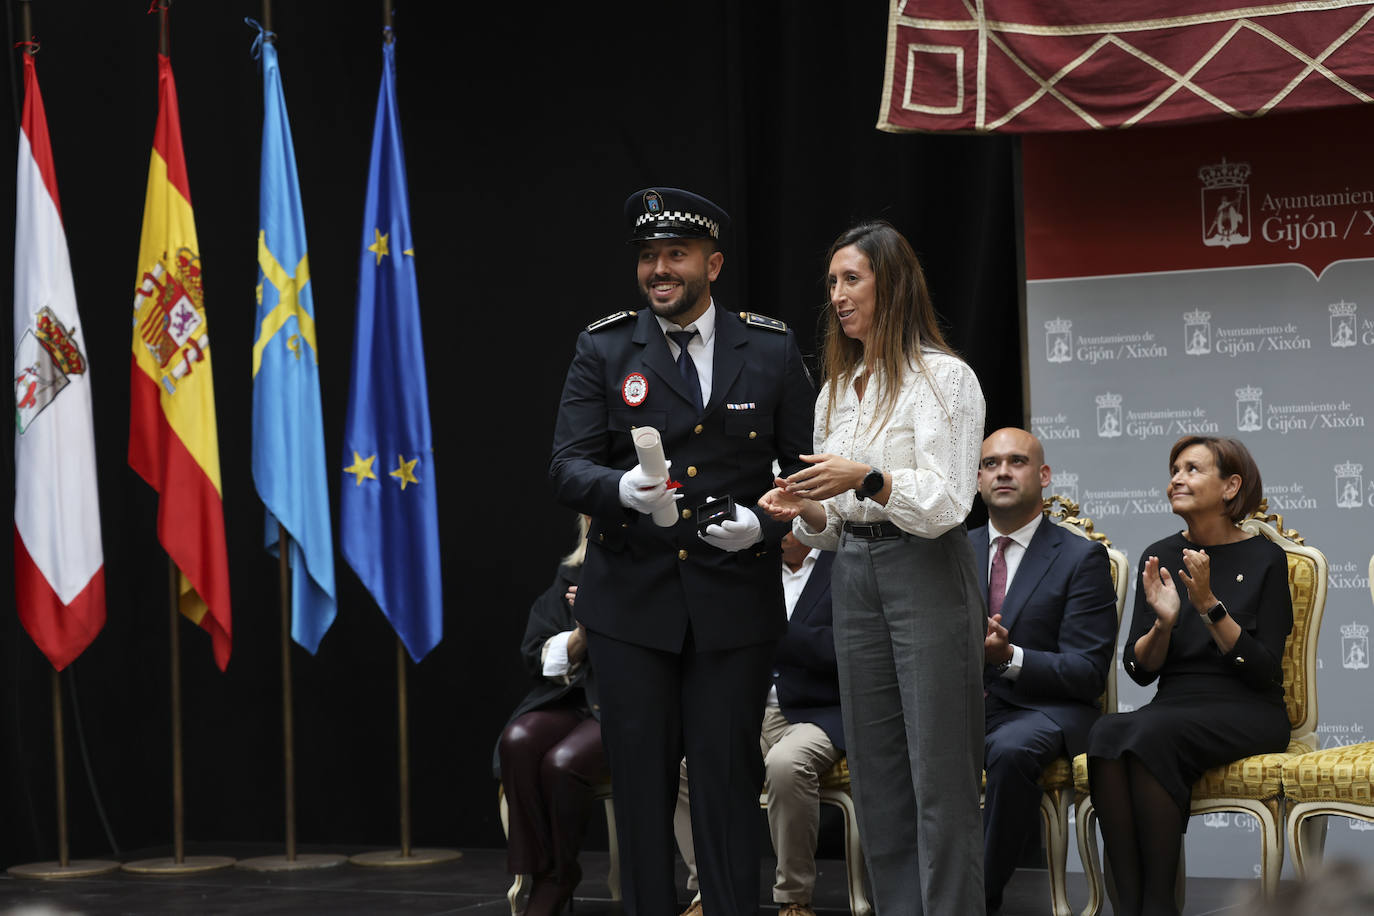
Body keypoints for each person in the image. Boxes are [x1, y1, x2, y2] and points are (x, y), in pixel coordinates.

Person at [549, 187, 816, 915]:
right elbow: (566, 465)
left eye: (675, 254)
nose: (658, 269)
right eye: (647, 256)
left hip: (733, 602)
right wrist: (623, 490)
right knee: (642, 794)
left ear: (713, 263)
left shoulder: (769, 347)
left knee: (730, 788)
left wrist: (764, 529)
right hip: (631, 605)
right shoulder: (604, 347)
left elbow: (805, 472)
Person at [759, 219, 987, 914]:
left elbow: (948, 503)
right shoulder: (835, 390)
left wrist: (868, 477)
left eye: (851, 278)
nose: (837, 294)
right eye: (831, 282)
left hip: (926, 569)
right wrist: (804, 505)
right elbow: (833, 532)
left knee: (939, 776)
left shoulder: (944, 379)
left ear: (892, 284)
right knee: (880, 776)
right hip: (855, 573)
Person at [1086, 435, 1293, 916]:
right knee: (1106, 732)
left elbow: (1264, 672)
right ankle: (1131, 906)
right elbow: (1139, 670)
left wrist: (1207, 607)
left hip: (1248, 709)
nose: (1176, 479)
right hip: (1175, 704)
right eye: (1174, 469)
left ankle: (1158, 904)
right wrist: (1163, 622)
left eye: (1193, 470)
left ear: (1230, 486)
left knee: (1150, 734)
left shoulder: (1266, 558)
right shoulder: (1160, 553)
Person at [969, 428, 1118, 913]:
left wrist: (1008, 659)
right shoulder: (950, 551)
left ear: (1043, 475)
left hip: (1043, 711)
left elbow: (1086, 671)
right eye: (991, 464)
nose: (1003, 472)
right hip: (962, 707)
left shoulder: (1080, 557)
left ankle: (975, 898)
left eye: (1017, 461)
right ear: (976, 480)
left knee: (1011, 751)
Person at [675, 532, 843, 916]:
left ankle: (794, 898)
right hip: (750, 709)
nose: (774, 528)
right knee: (685, 766)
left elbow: (847, 648)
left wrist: (770, 629)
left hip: (817, 712)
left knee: (787, 764)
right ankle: (708, 891)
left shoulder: (843, 565)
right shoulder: (752, 569)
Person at [494, 514, 608, 915]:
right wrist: (580, 634)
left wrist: (608, 620)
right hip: (572, 700)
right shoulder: (573, 574)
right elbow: (535, 652)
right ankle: (543, 872)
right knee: (518, 739)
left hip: (622, 704)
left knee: (562, 764)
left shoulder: (652, 567)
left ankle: (559, 877)